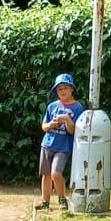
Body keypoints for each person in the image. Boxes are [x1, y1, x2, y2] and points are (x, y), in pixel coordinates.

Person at [38, 73, 83, 209]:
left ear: (72, 89)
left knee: (56, 173)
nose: (62, 91)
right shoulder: (52, 106)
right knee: (46, 175)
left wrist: (66, 119)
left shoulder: (78, 107)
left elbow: (73, 131)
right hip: (47, 144)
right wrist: (50, 125)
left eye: (65, 88)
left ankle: (62, 199)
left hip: (63, 147)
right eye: (59, 89)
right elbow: (44, 126)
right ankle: (45, 202)